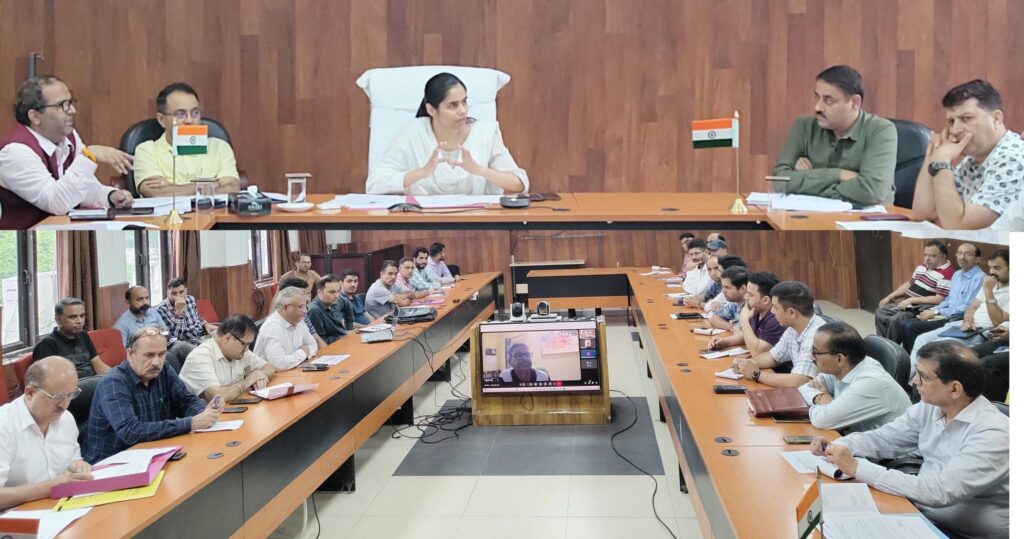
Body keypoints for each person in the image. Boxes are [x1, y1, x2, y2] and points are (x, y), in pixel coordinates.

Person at [813, 341, 1008, 538]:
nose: (914, 381)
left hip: (962, 533)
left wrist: (858, 468)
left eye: (923, 376)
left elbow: (940, 491)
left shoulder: (993, 433)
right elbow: (886, 438)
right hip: (919, 514)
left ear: (955, 389)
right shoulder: (931, 406)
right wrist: (839, 446)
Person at [0, 75, 134, 229]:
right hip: (27, 236)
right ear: (35, 116)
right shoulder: (15, 151)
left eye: (70, 103)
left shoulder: (69, 137)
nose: (72, 111)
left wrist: (109, 196)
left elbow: (81, 188)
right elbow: (56, 203)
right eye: (62, 105)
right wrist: (89, 156)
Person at [366, 72, 529, 195]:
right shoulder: (414, 132)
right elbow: (374, 183)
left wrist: (480, 170)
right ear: (431, 110)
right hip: (423, 223)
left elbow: (520, 184)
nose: (463, 110)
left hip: (477, 223)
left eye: (464, 102)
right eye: (453, 105)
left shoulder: (485, 133)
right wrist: (421, 173)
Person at [83, 328, 220, 463]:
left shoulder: (164, 370)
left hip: (153, 452)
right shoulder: (113, 382)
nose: (156, 362)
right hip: (111, 463)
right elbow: (130, 431)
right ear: (130, 354)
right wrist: (191, 423)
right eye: (149, 355)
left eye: (161, 354)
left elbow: (185, 401)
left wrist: (204, 414)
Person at [772, 65, 897, 205]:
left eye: (828, 100)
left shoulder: (881, 130)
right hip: (812, 216)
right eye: (817, 98)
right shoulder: (804, 126)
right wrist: (839, 174)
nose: (817, 107)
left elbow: (873, 191)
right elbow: (779, 181)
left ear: (854, 103)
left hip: (865, 218)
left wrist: (810, 178)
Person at [911, 79, 1024, 230]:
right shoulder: (972, 160)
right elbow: (923, 213)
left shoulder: (1012, 160)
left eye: (966, 118)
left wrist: (941, 163)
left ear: (996, 119)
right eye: (951, 121)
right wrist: (933, 153)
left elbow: (958, 229)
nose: (955, 130)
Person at [0, 357, 92, 510]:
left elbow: (73, 460)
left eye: (70, 395)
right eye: (57, 397)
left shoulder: (66, 419)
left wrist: (78, 466)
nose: (64, 405)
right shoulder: (4, 426)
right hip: (17, 518)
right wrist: (48, 488)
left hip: (61, 508)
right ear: (30, 393)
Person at [132, 82, 240, 198]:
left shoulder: (219, 147)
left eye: (195, 113)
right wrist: (212, 185)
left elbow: (232, 188)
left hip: (211, 210)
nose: (189, 120)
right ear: (162, 120)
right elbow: (156, 193)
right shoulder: (147, 151)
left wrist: (173, 187)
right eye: (180, 114)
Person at [798, 322, 911, 433]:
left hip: (883, 445)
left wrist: (829, 406)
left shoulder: (870, 382)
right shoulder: (845, 367)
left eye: (815, 352)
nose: (811, 357)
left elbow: (822, 420)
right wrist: (821, 397)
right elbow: (802, 388)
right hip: (855, 439)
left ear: (839, 358)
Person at [909, 249, 1010, 372]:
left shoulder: (995, 287)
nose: (992, 272)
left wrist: (989, 292)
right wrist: (968, 320)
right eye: (991, 267)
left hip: (983, 332)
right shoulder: (992, 283)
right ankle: (908, 379)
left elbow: (998, 321)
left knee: (937, 347)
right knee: (922, 339)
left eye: (997, 268)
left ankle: (925, 379)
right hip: (966, 326)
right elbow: (972, 307)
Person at [731, 281, 825, 388]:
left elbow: (799, 381)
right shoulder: (793, 328)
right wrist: (746, 363)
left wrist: (755, 374)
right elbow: (773, 357)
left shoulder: (815, 336)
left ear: (792, 313)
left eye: (775, 308)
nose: (772, 311)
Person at [897, 244, 986, 352]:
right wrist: (932, 310)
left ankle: (920, 358)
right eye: (959, 253)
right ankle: (910, 358)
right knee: (904, 323)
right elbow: (948, 299)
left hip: (955, 318)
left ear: (977, 259)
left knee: (910, 327)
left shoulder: (980, 278)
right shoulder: (957, 274)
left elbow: (967, 307)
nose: (962, 257)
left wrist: (936, 312)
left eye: (967, 254)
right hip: (943, 314)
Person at [178, 315, 276, 402]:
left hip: (230, 410)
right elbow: (217, 397)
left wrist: (260, 376)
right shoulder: (200, 357)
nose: (246, 349)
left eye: (248, 344)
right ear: (228, 338)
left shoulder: (240, 351)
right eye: (244, 344)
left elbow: (269, 367)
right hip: (203, 415)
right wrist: (249, 380)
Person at [874, 240, 955, 343]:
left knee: (896, 320)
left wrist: (911, 300)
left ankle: (890, 348)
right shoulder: (922, 267)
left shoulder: (947, 273)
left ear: (943, 257)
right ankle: (881, 344)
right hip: (906, 304)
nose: (927, 259)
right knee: (881, 312)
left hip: (919, 308)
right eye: (925, 255)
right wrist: (890, 296)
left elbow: (939, 299)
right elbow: (909, 284)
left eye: (932, 256)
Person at [113, 285, 196, 367]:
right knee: (170, 357)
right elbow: (122, 354)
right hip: (146, 354)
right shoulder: (121, 325)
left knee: (182, 346)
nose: (145, 302)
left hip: (165, 345)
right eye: (139, 299)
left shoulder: (153, 312)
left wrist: (161, 332)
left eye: (146, 298)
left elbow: (167, 333)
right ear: (128, 302)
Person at [710, 271, 786, 355]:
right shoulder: (756, 310)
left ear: (765, 300)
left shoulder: (776, 318)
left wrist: (744, 320)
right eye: (746, 293)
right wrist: (725, 342)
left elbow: (756, 352)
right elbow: (748, 335)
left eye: (750, 295)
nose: (745, 297)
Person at [32, 297, 109, 377]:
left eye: (82, 316)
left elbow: (98, 365)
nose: (80, 321)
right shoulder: (46, 344)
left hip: (92, 380)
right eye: (73, 317)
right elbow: (48, 379)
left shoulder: (83, 335)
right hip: (71, 384)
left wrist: (112, 376)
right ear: (58, 320)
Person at [253, 287, 319, 371]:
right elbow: (279, 365)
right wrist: (303, 353)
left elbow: (313, 345)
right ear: (285, 307)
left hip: (293, 371)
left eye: (305, 306)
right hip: (271, 376)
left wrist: (295, 358)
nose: (305, 311)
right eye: (300, 307)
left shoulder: (298, 320)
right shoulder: (273, 327)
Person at [156, 277, 218, 345]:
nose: (178, 296)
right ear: (168, 293)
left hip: (202, 335)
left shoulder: (190, 299)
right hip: (188, 342)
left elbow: (197, 319)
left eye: (181, 292)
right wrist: (179, 313)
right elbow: (175, 338)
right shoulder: (160, 310)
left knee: (224, 334)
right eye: (174, 293)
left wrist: (205, 324)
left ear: (185, 290)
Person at [278, 275, 328, 350]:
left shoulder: (302, 315)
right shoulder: (278, 323)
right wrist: (304, 352)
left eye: (309, 293)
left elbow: (316, 339)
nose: (308, 298)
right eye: (304, 294)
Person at [305, 274, 351, 345]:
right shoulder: (314, 310)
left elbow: (347, 304)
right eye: (332, 292)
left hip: (344, 341)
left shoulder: (334, 301)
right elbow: (320, 341)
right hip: (333, 347)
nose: (336, 295)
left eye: (338, 291)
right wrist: (344, 336)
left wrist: (349, 328)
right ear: (319, 292)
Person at [704, 266, 747, 330]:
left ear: (742, 289)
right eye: (723, 287)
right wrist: (731, 328)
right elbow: (713, 318)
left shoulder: (752, 308)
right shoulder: (734, 304)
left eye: (727, 287)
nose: (723, 291)